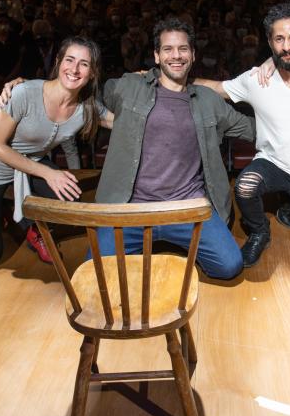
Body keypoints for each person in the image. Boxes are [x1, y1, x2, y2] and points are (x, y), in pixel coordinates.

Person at [94, 18, 255, 280]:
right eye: (167, 49)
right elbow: (85, 95)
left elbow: (252, 129)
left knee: (229, 266)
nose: (176, 56)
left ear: (193, 54)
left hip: (187, 206)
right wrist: (26, 88)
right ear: (156, 56)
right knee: (99, 274)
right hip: (132, 209)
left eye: (183, 49)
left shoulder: (208, 101)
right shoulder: (128, 87)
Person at [195, 3, 290, 266]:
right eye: (279, 39)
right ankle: (259, 231)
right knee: (244, 186)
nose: (287, 46)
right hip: (272, 164)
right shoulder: (258, 80)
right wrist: (172, 79)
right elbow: (217, 88)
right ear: (270, 43)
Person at [0, 37, 112, 268]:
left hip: (28, 165)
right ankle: (2, 208)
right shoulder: (23, 93)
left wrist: (146, 81)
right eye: (69, 60)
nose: (74, 69)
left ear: (92, 72)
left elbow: (123, 123)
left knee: (69, 198)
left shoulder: (88, 106)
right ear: (58, 62)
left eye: (84, 63)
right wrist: (49, 173)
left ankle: (31, 227)